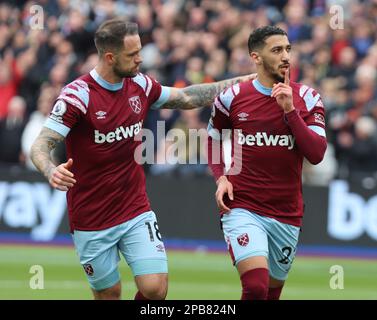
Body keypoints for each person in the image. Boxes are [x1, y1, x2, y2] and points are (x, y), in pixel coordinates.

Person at [30, 18, 254, 300]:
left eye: (140, 51)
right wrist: (50, 170)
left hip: (134, 209)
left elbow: (186, 97)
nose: (140, 59)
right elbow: (40, 145)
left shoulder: (141, 85)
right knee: (109, 294)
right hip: (91, 216)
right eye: (133, 54)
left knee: (155, 289)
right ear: (110, 57)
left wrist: (239, 83)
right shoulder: (78, 96)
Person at [207, 26, 327, 300]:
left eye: (288, 49)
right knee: (256, 286)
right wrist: (221, 177)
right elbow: (213, 137)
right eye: (276, 50)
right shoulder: (231, 97)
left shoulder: (307, 98)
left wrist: (290, 111)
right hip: (243, 206)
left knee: (271, 294)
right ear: (256, 57)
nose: (285, 56)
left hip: (287, 212)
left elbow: (316, 154)